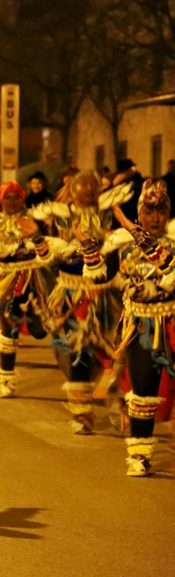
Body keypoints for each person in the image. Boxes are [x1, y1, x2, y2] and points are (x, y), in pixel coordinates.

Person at [32, 170, 132, 433]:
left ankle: (120, 401)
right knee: (77, 351)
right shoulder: (60, 213)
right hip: (71, 294)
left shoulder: (109, 210)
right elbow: (48, 252)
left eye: (94, 185)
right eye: (84, 185)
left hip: (104, 292)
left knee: (114, 348)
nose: (89, 189)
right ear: (72, 189)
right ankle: (81, 413)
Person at [105, 181, 174, 475]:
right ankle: (140, 454)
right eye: (148, 211)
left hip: (172, 321)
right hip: (139, 326)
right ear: (139, 213)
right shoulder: (121, 245)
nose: (154, 217)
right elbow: (102, 278)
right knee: (143, 389)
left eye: (160, 211)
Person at [0, 182, 54, 396]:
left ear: (22, 198)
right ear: (1, 200)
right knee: (8, 329)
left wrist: (37, 235)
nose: (12, 202)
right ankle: (7, 381)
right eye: (7, 197)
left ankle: (37, 324)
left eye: (16, 197)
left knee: (39, 330)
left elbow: (49, 243)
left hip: (33, 278)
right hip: (5, 281)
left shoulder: (34, 219)